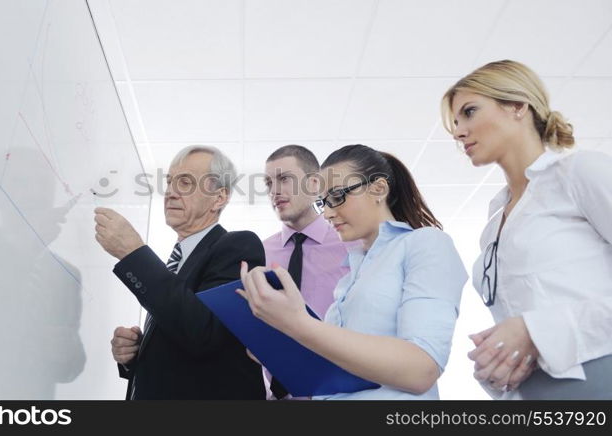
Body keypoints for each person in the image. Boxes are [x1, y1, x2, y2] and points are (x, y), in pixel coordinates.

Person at [441, 59, 612, 399]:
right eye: (456, 123)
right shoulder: (493, 221)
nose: (459, 131)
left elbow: (534, 327)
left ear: (518, 106)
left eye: (469, 112)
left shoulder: (578, 173)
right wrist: (495, 363)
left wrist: (535, 330)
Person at [240, 144, 466, 399]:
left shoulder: (425, 243)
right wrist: (278, 353)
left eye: (337, 197)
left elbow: (421, 370)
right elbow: (341, 370)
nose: (326, 213)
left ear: (378, 189)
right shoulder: (351, 276)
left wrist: (297, 322)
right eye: (323, 202)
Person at [95, 145, 266, 399]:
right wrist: (135, 354)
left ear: (219, 198)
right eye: (169, 182)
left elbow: (203, 334)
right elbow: (179, 334)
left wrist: (133, 253)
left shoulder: (239, 246)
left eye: (185, 183)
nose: (171, 193)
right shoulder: (174, 264)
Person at [261, 145, 352, 399]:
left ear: (314, 184)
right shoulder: (260, 252)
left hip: (336, 394)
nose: (274, 191)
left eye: (284, 179)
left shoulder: (351, 244)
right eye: (268, 183)